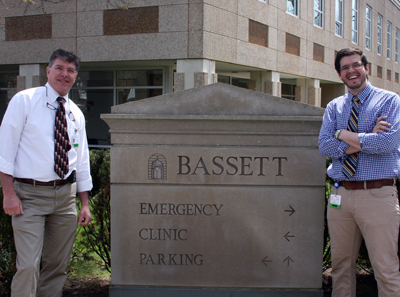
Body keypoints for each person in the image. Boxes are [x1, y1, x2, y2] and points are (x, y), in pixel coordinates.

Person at [0, 49, 92, 297]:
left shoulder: (76, 113)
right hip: (29, 197)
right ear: (48, 71)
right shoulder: (24, 101)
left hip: (65, 199)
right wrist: (8, 193)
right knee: (29, 264)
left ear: (75, 77)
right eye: (60, 68)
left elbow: (81, 160)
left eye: (71, 70)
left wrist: (84, 203)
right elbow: (4, 150)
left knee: (57, 266)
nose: (65, 74)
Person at [319, 47, 400, 297]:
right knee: (341, 268)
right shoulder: (334, 107)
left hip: (377, 193)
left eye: (355, 65)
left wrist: (342, 135)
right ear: (339, 74)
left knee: (385, 268)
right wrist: (366, 138)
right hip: (341, 196)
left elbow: (387, 143)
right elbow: (325, 147)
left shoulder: (389, 100)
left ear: (366, 68)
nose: (351, 71)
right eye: (345, 68)